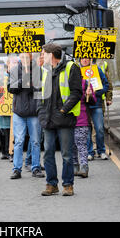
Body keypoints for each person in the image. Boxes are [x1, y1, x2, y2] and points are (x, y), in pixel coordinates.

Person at [37, 43, 82, 196]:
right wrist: (40, 111)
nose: (42, 56)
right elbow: (39, 93)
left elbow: (76, 93)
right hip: (48, 118)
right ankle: (51, 184)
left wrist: (63, 110)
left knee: (66, 154)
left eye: (44, 53)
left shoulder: (71, 67)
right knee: (48, 152)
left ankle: (68, 185)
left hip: (64, 118)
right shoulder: (44, 70)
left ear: (51, 55)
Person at [8, 53, 44, 180]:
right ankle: (16, 169)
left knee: (35, 141)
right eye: (22, 58)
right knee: (18, 142)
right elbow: (10, 88)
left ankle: (35, 167)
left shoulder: (38, 70)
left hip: (34, 112)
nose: (24, 60)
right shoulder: (14, 70)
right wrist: (23, 80)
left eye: (26, 58)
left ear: (30, 58)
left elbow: (42, 89)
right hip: (19, 112)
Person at [80, 58, 109, 161]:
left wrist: (95, 93)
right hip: (84, 106)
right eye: (82, 58)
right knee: (87, 131)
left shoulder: (97, 70)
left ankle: (101, 151)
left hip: (96, 105)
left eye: (86, 58)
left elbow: (106, 85)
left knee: (100, 129)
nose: (84, 60)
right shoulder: (78, 71)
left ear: (90, 59)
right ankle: (90, 152)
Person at [73, 59, 97, 179]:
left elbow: (93, 102)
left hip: (82, 118)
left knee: (81, 143)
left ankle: (84, 167)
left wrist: (90, 94)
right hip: (69, 119)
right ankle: (75, 166)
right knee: (71, 145)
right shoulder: (67, 84)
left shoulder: (86, 84)